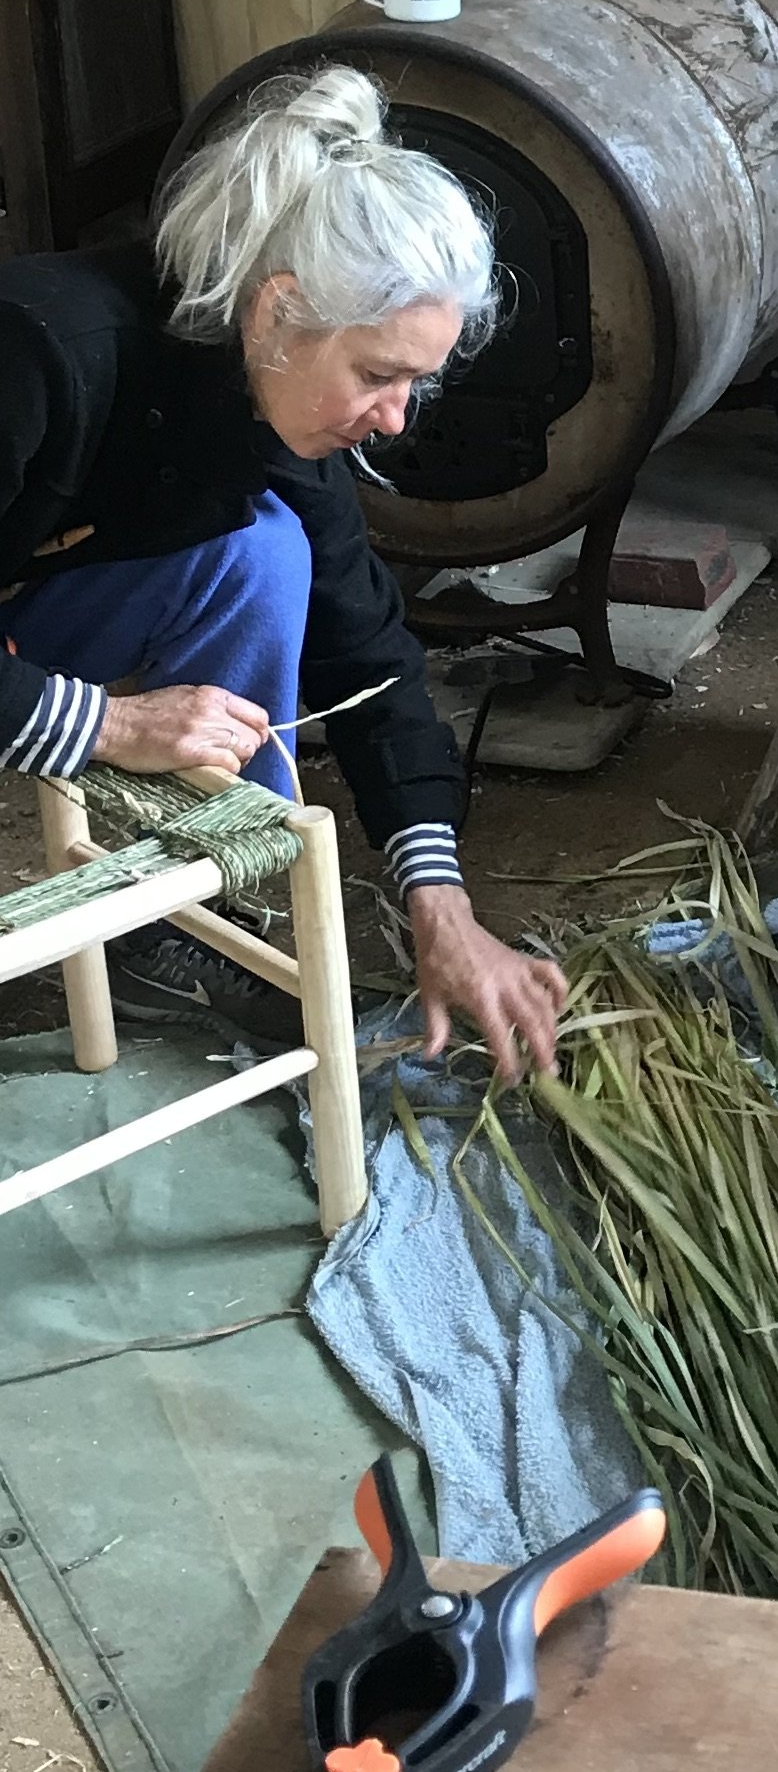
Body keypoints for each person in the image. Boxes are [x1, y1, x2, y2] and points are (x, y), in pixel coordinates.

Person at [0, 64, 566, 1083]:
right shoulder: (40, 350)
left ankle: (191, 911)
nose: (395, 417)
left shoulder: (266, 399)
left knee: (264, 550)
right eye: (378, 374)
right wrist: (112, 725)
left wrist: (438, 899)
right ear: (277, 311)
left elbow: (366, 640)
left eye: (416, 384)